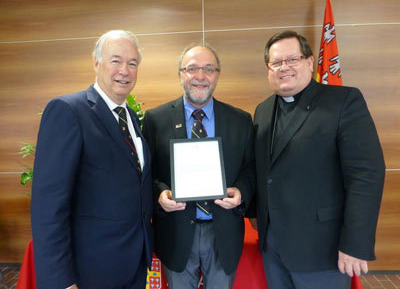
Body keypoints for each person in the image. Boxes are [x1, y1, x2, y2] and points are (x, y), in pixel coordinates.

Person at [249, 30, 385, 289]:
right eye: (276, 63)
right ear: (268, 69)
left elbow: (366, 176)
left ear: (310, 62)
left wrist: (355, 244)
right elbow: (263, 170)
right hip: (273, 248)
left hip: (323, 250)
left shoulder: (343, 101)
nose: (284, 67)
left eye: (292, 59)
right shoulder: (263, 110)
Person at [31, 30, 153, 289]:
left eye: (133, 63)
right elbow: (48, 207)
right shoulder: (68, 111)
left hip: (133, 266)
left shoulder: (130, 117)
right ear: (96, 62)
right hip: (89, 272)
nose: (125, 70)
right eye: (116, 60)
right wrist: (61, 282)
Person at [143, 42, 255, 289]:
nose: (200, 77)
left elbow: (250, 169)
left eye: (208, 69)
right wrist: (160, 193)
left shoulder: (241, 120)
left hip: (223, 231)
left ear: (217, 75)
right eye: (192, 69)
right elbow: (147, 173)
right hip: (176, 232)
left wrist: (241, 191)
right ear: (181, 74)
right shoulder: (156, 119)